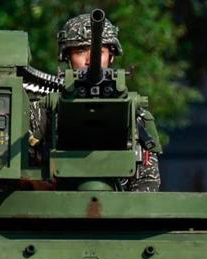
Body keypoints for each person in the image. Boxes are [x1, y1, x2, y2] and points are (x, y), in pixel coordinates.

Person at [36, 11, 162, 192]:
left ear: (111, 56)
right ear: (67, 58)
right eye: (80, 51)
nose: (89, 61)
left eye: (98, 52)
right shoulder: (43, 111)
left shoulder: (135, 115)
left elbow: (147, 184)